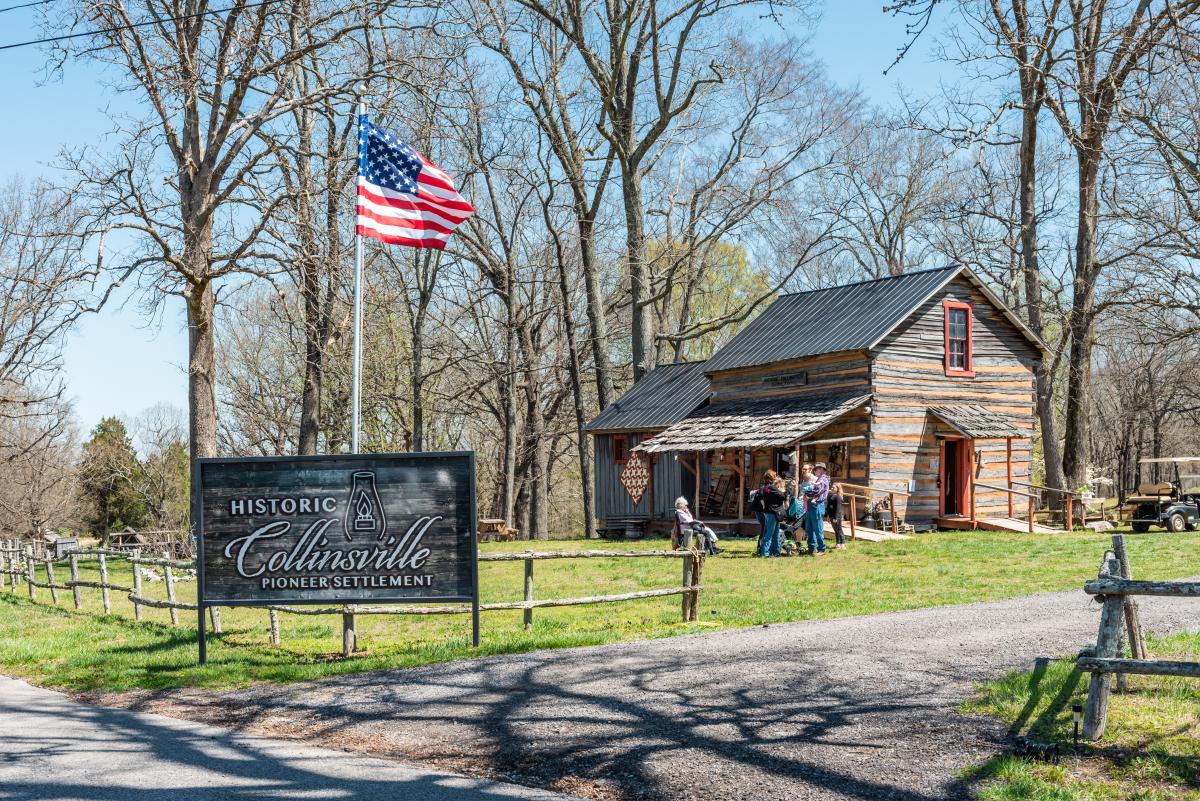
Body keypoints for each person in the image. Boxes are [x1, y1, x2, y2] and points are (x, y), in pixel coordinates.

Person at [755, 469, 788, 557]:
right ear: (772, 477)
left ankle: (775, 552)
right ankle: (765, 552)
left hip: (771, 512)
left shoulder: (766, 488)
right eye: (775, 475)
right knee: (770, 533)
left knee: (775, 533)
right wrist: (784, 490)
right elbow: (782, 496)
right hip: (773, 512)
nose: (776, 476)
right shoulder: (771, 487)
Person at [804, 462, 830, 556]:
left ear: (823, 470)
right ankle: (811, 548)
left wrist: (807, 495)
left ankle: (821, 549)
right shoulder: (818, 479)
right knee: (809, 528)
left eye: (819, 468)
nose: (816, 470)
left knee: (818, 529)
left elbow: (817, 491)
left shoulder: (824, 479)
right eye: (816, 469)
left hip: (817, 505)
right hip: (811, 505)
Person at [827, 482, 846, 549]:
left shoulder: (838, 497)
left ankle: (843, 543)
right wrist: (828, 516)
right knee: (835, 530)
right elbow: (829, 506)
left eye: (833, 487)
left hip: (837, 516)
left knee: (839, 529)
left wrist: (836, 517)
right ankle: (838, 543)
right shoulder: (830, 495)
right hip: (831, 515)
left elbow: (838, 508)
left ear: (837, 489)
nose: (832, 488)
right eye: (831, 487)